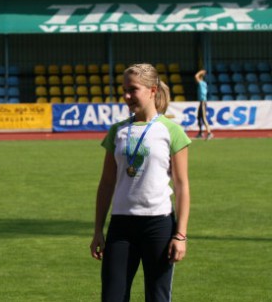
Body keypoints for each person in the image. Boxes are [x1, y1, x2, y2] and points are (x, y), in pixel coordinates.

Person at [90, 63, 191, 302]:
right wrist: (97, 230)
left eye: (133, 89)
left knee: (157, 297)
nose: (126, 96)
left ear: (152, 90)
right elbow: (106, 184)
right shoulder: (118, 131)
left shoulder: (171, 131)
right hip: (121, 226)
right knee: (112, 297)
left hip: (159, 225)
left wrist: (180, 235)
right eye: (124, 89)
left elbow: (182, 186)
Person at [194, 69, 214, 140]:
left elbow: (196, 76)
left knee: (204, 117)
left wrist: (200, 72)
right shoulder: (203, 83)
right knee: (199, 117)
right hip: (201, 102)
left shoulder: (202, 83)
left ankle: (209, 133)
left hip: (203, 102)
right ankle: (200, 133)